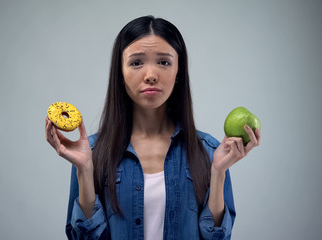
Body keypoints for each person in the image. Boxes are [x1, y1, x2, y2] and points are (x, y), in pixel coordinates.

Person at [45, 15, 260, 240]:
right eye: (136, 62)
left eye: (164, 62)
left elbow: (217, 238)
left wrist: (218, 173)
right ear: (120, 73)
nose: (150, 76)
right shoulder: (91, 151)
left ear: (178, 71)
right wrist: (85, 171)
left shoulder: (210, 152)